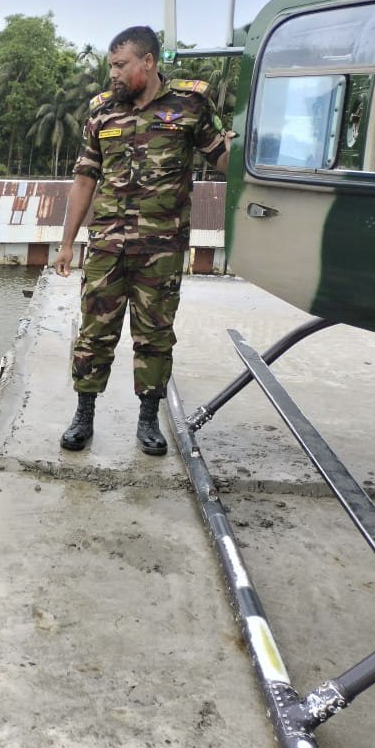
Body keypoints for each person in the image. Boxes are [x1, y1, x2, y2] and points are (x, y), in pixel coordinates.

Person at [54, 25, 232, 456]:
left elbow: (224, 159)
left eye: (120, 65)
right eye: (110, 66)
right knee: (95, 333)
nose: (113, 74)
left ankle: (148, 420)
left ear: (147, 62)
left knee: (154, 336)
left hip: (162, 248)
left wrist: (251, 150)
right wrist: (66, 242)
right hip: (107, 247)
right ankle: (83, 416)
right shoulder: (101, 112)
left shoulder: (190, 103)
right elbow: (84, 180)